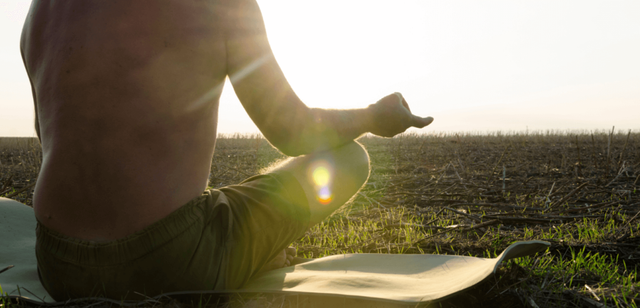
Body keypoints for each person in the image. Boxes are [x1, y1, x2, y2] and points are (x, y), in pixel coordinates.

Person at [20, 0, 434, 301]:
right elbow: (294, 131)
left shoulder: (41, 12)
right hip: (169, 264)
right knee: (350, 159)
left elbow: (49, 136)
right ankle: (251, 257)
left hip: (58, 266)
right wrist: (372, 117)